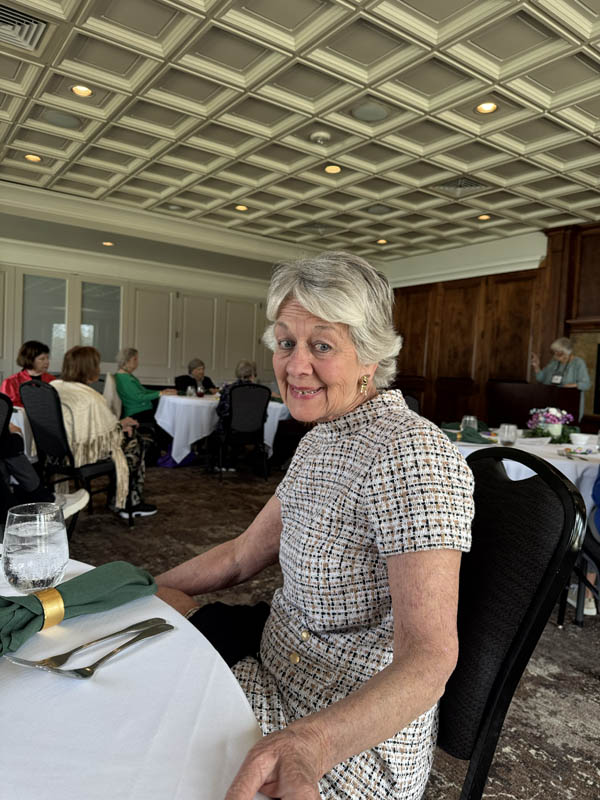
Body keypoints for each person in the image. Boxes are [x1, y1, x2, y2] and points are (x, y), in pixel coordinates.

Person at [156, 252, 474, 800]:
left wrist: (311, 743)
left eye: (321, 346)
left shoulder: (411, 453)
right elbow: (241, 555)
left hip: (346, 737)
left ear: (370, 355)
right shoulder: (322, 438)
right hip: (270, 673)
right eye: (286, 342)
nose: (295, 366)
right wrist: (142, 588)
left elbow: (430, 657)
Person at [52, 346, 157, 518]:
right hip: (79, 455)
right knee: (134, 441)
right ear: (90, 368)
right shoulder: (91, 397)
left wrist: (119, 424)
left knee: (126, 437)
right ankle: (128, 502)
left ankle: (121, 498)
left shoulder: (54, 386)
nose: (99, 368)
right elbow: (107, 434)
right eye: (97, 364)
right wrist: (121, 426)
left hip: (55, 453)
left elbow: (84, 425)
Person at [531, 337, 591, 419]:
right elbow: (541, 378)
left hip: (570, 403)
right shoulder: (554, 362)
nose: (555, 354)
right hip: (552, 401)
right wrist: (536, 366)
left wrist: (567, 386)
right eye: (554, 351)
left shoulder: (578, 363)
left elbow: (586, 384)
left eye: (558, 352)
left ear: (566, 352)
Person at [114, 347, 176, 422]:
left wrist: (162, 392)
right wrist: (160, 393)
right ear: (126, 361)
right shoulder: (124, 378)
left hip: (141, 410)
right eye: (135, 359)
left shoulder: (126, 375)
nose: (137, 362)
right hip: (136, 413)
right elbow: (139, 397)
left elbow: (143, 391)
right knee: (168, 416)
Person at [0, 340, 56, 407]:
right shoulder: (10, 382)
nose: (47, 362)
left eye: (47, 358)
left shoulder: (53, 380)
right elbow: (8, 408)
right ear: (29, 359)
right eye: (42, 359)